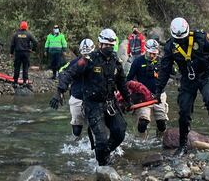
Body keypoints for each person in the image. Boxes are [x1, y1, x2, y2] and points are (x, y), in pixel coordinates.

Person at [155, 17, 209, 156]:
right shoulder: (171, 46)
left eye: (183, 38)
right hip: (187, 80)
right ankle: (182, 144)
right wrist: (158, 91)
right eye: (178, 39)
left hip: (206, 75)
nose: (181, 41)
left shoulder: (201, 38)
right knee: (184, 111)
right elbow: (165, 70)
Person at [50, 28, 131, 166]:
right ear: (100, 44)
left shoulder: (116, 62)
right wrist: (59, 92)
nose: (109, 48)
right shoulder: (88, 60)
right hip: (93, 105)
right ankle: (102, 167)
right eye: (106, 45)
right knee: (101, 139)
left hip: (110, 103)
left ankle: (104, 154)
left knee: (120, 132)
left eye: (111, 46)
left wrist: (128, 101)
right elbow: (68, 73)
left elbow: (122, 83)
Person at [127, 39, 168, 139]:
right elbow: (129, 79)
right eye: (150, 54)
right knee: (142, 123)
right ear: (145, 50)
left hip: (159, 95)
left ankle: (161, 140)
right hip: (143, 97)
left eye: (154, 54)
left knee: (161, 123)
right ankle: (142, 142)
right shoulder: (137, 62)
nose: (152, 56)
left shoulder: (162, 61)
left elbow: (171, 73)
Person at [58, 38, 95, 139]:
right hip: (77, 97)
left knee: (95, 127)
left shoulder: (98, 63)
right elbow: (62, 71)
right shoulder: (74, 62)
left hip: (93, 100)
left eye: (88, 54)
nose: (86, 57)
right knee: (77, 129)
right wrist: (60, 91)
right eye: (84, 54)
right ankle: (75, 143)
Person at [10, 21, 38, 88]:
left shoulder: (16, 34)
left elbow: (12, 44)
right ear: (26, 27)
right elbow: (35, 42)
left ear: (20, 26)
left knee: (17, 67)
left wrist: (11, 53)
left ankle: (15, 82)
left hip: (18, 53)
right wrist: (33, 49)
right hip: (26, 53)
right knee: (25, 67)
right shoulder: (29, 34)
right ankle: (25, 82)